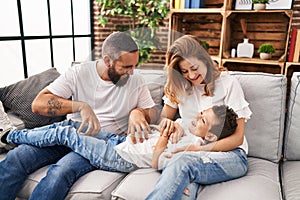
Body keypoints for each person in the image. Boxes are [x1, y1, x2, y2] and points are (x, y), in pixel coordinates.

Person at [0, 31, 157, 200]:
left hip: (98, 143)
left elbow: (152, 113)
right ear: (107, 61)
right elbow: (38, 104)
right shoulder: (78, 73)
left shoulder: (136, 80)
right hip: (66, 137)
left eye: (134, 65)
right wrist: (79, 106)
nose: (132, 72)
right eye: (126, 67)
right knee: (17, 157)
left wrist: (138, 112)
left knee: (60, 173)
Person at [145, 35, 252, 200]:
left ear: (205, 59)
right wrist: (169, 124)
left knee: (183, 163)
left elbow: (238, 138)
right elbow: (163, 121)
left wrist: (199, 150)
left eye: (195, 68)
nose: (192, 75)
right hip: (190, 154)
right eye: (184, 71)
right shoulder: (180, 86)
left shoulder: (228, 84)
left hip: (230, 155)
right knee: (184, 191)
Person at [1, 105, 237, 173]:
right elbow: (162, 127)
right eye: (200, 113)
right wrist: (168, 126)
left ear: (211, 136)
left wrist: (164, 138)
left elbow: (156, 161)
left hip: (119, 157)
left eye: (202, 120)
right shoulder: (188, 127)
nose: (196, 117)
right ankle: (15, 136)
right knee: (71, 124)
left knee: (66, 134)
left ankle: (11, 135)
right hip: (120, 141)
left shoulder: (193, 149)